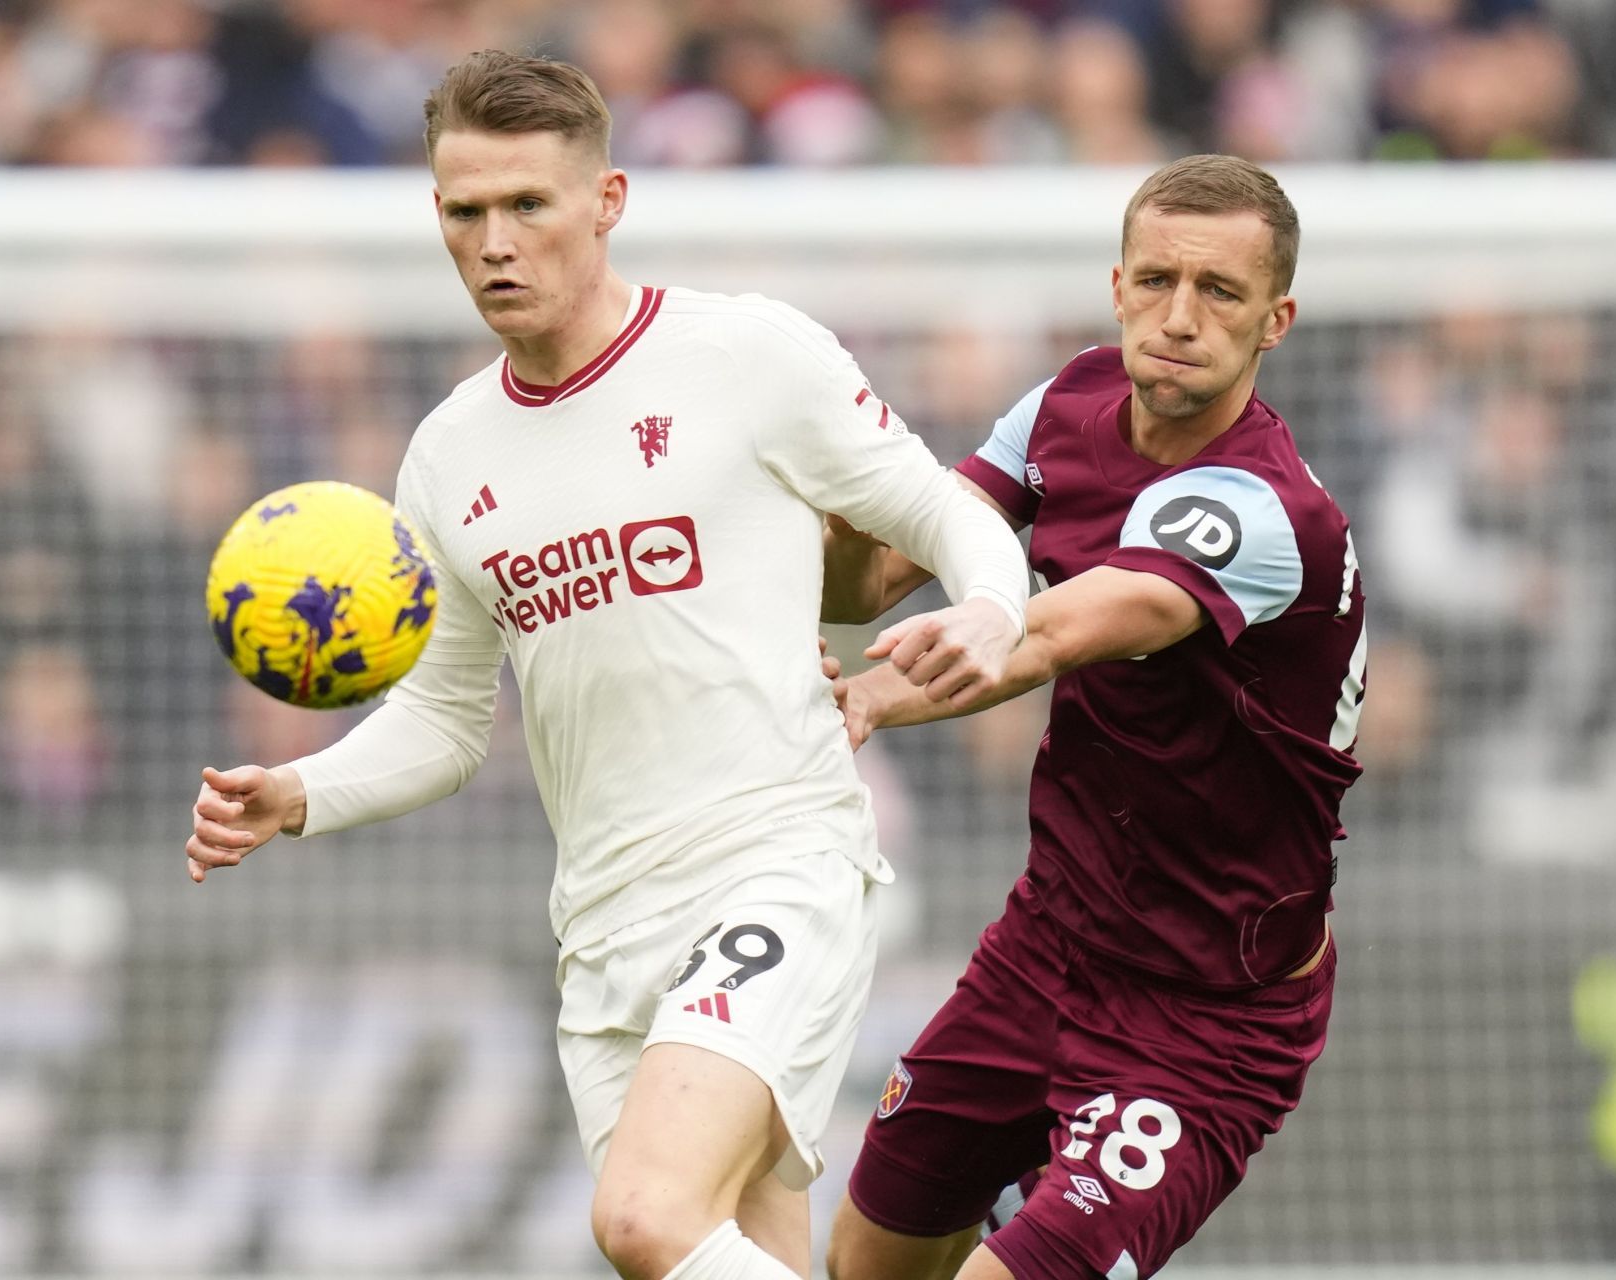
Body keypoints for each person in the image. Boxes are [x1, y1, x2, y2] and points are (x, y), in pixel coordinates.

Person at [183, 50, 1031, 1280]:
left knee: (643, 1217)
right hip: (604, 929)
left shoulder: (749, 356)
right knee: (737, 1249)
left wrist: (995, 608)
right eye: (465, 211)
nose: (495, 241)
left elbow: (944, 513)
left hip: (774, 859)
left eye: (529, 203)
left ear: (608, 200)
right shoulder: (446, 454)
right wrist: (299, 791)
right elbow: (444, 723)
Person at [819, 154, 1366, 1280]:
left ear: (1278, 319)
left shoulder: (1266, 510)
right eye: (1157, 278)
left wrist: (869, 692)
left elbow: (1052, 631)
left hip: (1205, 1012)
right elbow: (868, 583)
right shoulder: (1064, 401)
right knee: (868, 1259)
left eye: (1219, 291)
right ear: (1117, 286)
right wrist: (819, 488)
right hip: (1046, 944)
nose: (1179, 315)